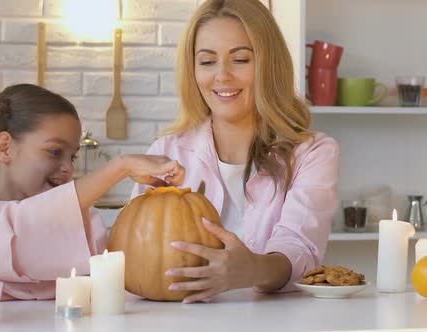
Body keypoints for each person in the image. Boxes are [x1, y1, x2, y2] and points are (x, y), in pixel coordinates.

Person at [131, 0, 340, 303]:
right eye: (207, 61)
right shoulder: (166, 151)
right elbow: (140, 251)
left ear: (269, 64)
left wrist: (252, 269)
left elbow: (300, 249)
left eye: (240, 59)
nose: (222, 76)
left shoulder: (313, 153)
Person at [0, 83, 185, 301]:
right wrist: (121, 166)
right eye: (54, 152)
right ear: (5, 147)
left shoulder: (82, 219)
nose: (68, 168)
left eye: (72, 157)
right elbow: (20, 227)